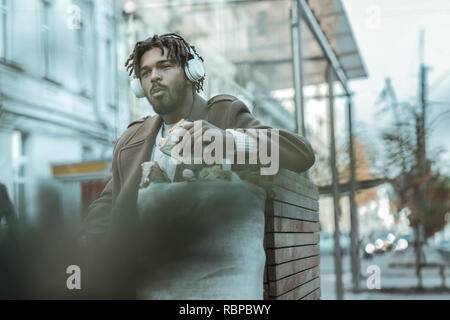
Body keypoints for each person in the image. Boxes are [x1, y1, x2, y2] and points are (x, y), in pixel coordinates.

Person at [79, 33, 315, 298]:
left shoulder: (224, 114)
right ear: (139, 86)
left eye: (165, 67)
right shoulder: (130, 141)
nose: (154, 77)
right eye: (145, 73)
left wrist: (229, 141)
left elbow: (301, 153)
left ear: (191, 72)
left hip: (208, 287)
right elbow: (105, 207)